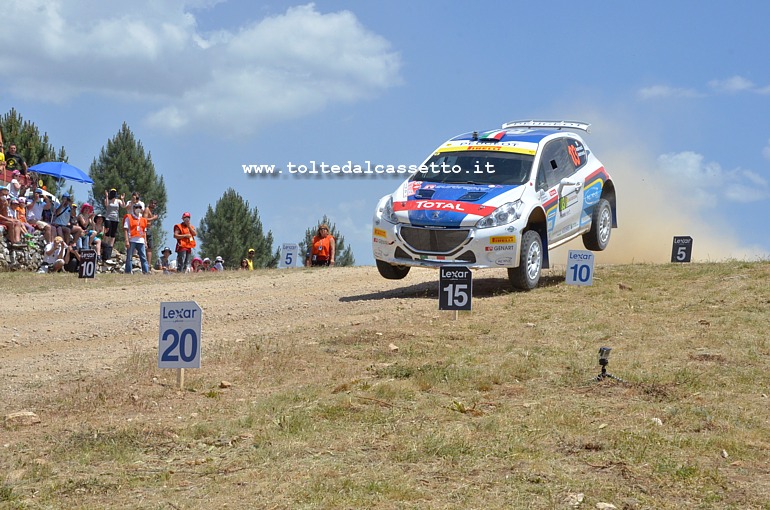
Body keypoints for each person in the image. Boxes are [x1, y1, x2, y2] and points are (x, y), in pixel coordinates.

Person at [123, 202, 149, 274]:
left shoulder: (143, 219)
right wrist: (126, 240)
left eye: (139, 207)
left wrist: (145, 242)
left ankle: (146, 272)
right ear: (133, 208)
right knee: (129, 257)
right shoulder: (129, 217)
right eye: (136, 207)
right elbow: (125, 229)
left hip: (141, 240)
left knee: (143, 257)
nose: (138, 209)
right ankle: (128, 272)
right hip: (132, 239)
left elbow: (144, 231)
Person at [102, 188, 125, 262]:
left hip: (115, 219)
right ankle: (105, 245)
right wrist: (106, 196)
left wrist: (122, 199)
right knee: (107, 232)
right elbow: (106, 205)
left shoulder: (118, 201)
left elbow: (123, 206)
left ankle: (110, 247)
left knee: (113, 234)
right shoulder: (108, 200)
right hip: (108, 218)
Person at [143, 199, 158, 268]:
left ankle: (148, 264)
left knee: (150, 247)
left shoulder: (152, 211)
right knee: (144, 246)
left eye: (155, 203)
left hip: (149, 229)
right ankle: (144, 263)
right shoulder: (147, 209)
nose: (153, 204)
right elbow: (144, 219)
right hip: (145, 229)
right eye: (152, 203)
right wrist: (153, 218)